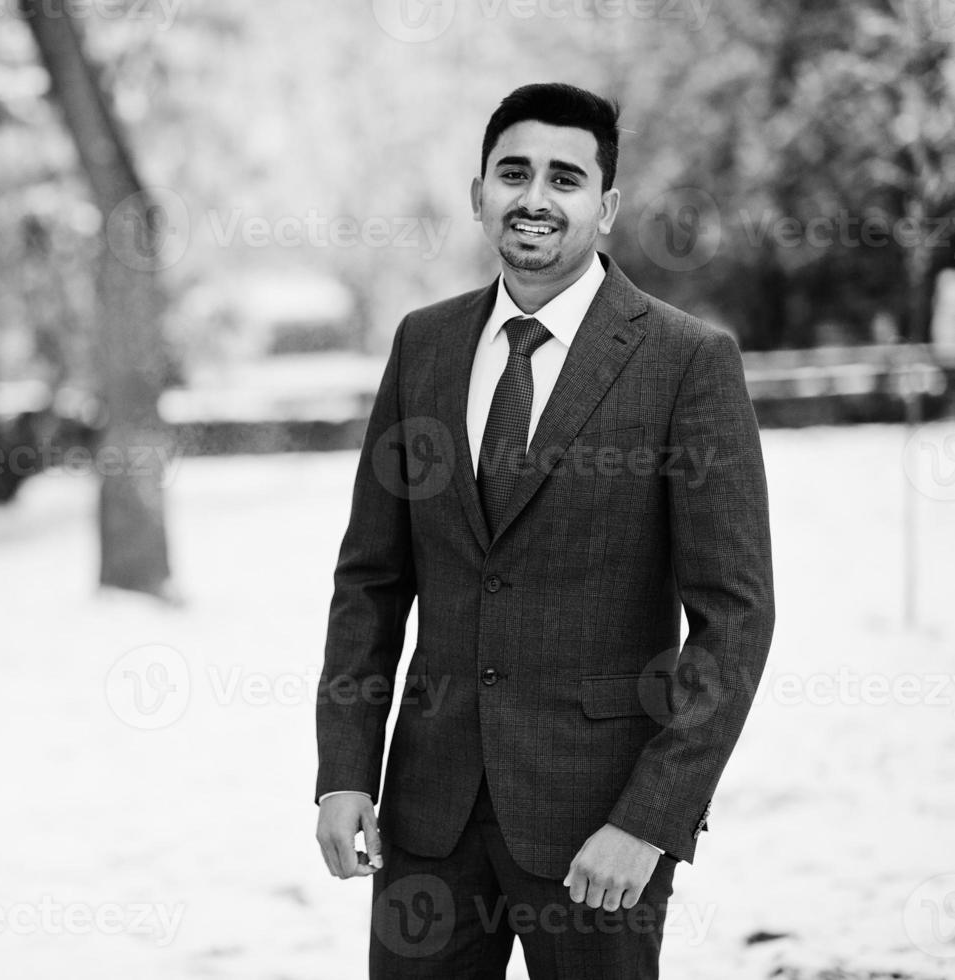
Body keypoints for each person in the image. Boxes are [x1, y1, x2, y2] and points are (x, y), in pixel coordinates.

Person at [313, 82, 775, 979]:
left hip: (598, 829)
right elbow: (370, 581)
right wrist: (343, 773)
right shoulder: (424, 347)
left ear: (603, 207)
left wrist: (650, 818)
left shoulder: (686, 362)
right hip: (426, 817)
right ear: (477, 191)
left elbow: (735, 615)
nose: (534, 198)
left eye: (564, 178)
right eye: (512, 173)